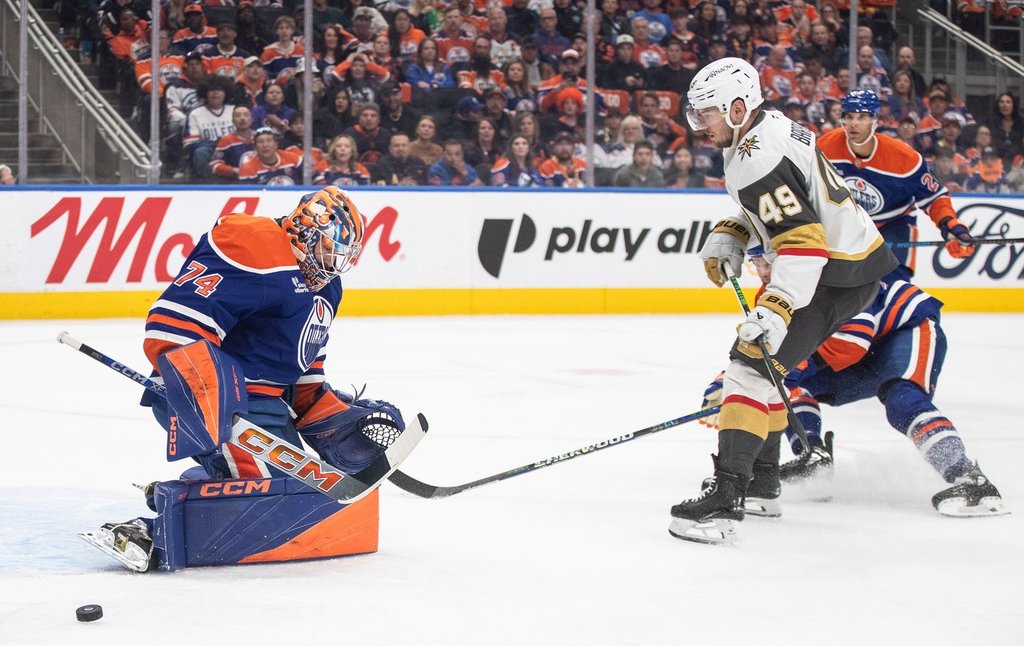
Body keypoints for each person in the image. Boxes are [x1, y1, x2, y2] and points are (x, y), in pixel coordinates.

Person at [86, 187, 411, 571]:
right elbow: (173, 325)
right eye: (327, 249)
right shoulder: (254, 245)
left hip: (265, 409)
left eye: (342, 254)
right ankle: (148, 534)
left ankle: (191, 490)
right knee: (273, 501)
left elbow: (302, 368)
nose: (333, 263)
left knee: (305, 496)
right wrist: (203, 389)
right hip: (207, 398)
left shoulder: (328, 287)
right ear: (304, 232)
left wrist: (331, 417)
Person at [671, 58, 898, 545]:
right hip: (848, 263)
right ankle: (763, 483)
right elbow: (785, 201)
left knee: (750, 365)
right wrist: (735, 228)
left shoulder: (756, 155)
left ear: (736, 108)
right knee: (765, 368)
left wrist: (776, 309)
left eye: (706, 113)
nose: (699, 124)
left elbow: (803, 243)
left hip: (834, 272)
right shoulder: (767, 126)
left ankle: (728, 500)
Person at [711, 246, 1006, 518]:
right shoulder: (771, 294)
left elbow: (849, 344)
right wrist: (729, 386)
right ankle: (813, 457)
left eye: (767, 262)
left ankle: (971, 480)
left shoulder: (832, 276)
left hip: (903, 329)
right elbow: (766, 354)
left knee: (902, 400)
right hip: (855, 353)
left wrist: (782, 371)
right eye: (755, 264)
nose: (762, 272)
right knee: (787, 386)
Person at [817, 90, 976, 282]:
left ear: (875, 121)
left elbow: (933, 196)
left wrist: (949, 225)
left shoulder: (904, 158)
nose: (854, 124)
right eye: (848, 117)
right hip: (846, 226)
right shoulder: (824, 148)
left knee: (893, 289)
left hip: (893, 225)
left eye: (862, 117)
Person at [238, 127, 303, 185]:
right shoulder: (247, 169)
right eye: (260, 142)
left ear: (276, 145)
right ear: (255, 147)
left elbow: (309, 182)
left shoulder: (294, 159)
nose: (265, 145)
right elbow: (249, 195)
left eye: (269, 141)